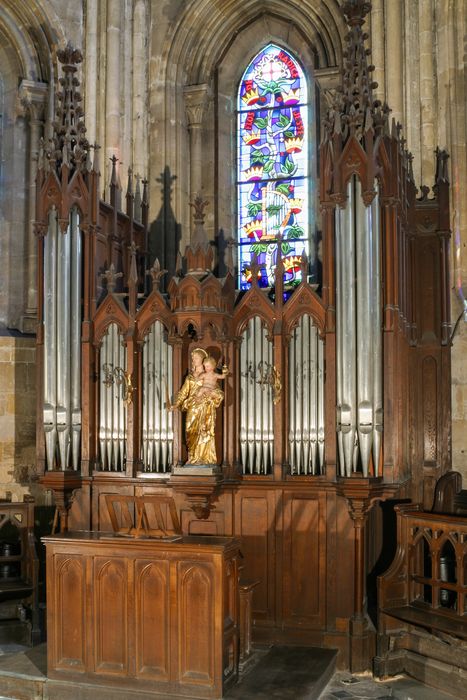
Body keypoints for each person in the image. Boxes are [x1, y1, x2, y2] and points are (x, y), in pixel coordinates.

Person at [170, 348, 228, 465]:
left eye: (195, 358)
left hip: (206, 409)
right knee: (190, 430)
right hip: (192, 407)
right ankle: (193, 457)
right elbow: (183, 393)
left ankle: (204, 458)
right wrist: (175, 404)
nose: (193, 360)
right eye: (192, 358)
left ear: (202, 360)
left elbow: (219, 393)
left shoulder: (209, 376)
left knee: (204, 432)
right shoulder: (190, 378)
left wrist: (211, 393)